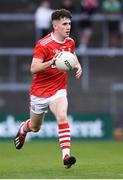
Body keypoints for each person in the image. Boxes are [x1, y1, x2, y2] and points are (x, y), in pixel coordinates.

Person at [14, 9, 82, 169]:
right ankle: (23, 128)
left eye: (70, 24)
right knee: (35, 127)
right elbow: (34, 68)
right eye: (65, 24)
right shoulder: (43, 45)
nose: (68, 27)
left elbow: (71, 55)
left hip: (58, 89)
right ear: (55, 25)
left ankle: (66, 156)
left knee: (62, 116)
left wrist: (77, 64)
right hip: (39, 93)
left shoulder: (70, 42)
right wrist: (52, 62)